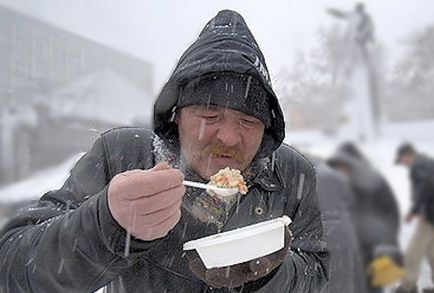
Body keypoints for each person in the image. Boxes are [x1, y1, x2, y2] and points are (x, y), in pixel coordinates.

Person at [0, 10, 329, 293]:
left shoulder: (291, 172)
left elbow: (317, 272)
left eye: (248, 121)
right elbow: (12, 267)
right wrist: (107, 226)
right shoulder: (122, 155)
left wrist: (268, 273)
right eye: (209, 115)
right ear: (177, 117)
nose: (229, 137)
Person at [327, 142, 402, 293]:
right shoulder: (334, 184)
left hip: (371, 244)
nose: (342, 170)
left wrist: (388, 241)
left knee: (372, 282)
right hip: (347, 244)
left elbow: (391, 213)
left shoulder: (374, 182)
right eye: (339, 166)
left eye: (346, 166)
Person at [309, 155, 368, 293]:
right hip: (342, 231)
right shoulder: (336, 178)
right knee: (345, 273)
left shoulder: (309, 177)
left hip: (325, 232)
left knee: (329, 275)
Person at [394, 143, 434, 293]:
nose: (403, 164)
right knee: (431, 250)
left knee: (413, 252)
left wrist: (416, 210)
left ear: (406, 155)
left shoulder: (418, 165)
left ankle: (407, 286)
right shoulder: (428, 162)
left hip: (429, 214)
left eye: (402, 160)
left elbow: (426, 186)